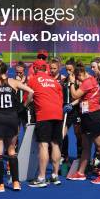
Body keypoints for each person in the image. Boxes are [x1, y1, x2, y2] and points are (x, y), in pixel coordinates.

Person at [0, 61, 33, 192]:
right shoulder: (14, 82)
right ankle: (16, 182)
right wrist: (23, 107)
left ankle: (0, 184)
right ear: (7, 71)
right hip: (12, 118)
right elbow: (31, 92)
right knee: (12, 150)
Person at [67, 63, 100, 184]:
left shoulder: (87, 82)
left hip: (93, 116)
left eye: (77, 78)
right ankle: (81, 173)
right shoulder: (90, 79)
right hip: (86, 116)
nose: (77, 81)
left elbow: (75, 95)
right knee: (86, 145)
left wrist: (71, 83)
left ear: (80, 74)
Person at [27, 59, 64, 187]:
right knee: (55, 144)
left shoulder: (32, 79)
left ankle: (41, 178)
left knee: (43, 145)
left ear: (36, 69)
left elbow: (28, 97)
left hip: (44, 114)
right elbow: (60, 99)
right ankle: (55, 175)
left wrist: (25, 105)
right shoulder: (55, 81)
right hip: (58, 113)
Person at [61, 58, 82, 161]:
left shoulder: (79, 81)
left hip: (76, 110)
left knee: (78, 134)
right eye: (67, 70)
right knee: (62, 134)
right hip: (66, 110)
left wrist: (72, 104)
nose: (68, 72)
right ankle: (64, 155)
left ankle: (80, 156)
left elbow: (80, 97)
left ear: (74, 69)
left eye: (70, 70)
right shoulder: (64, 81)